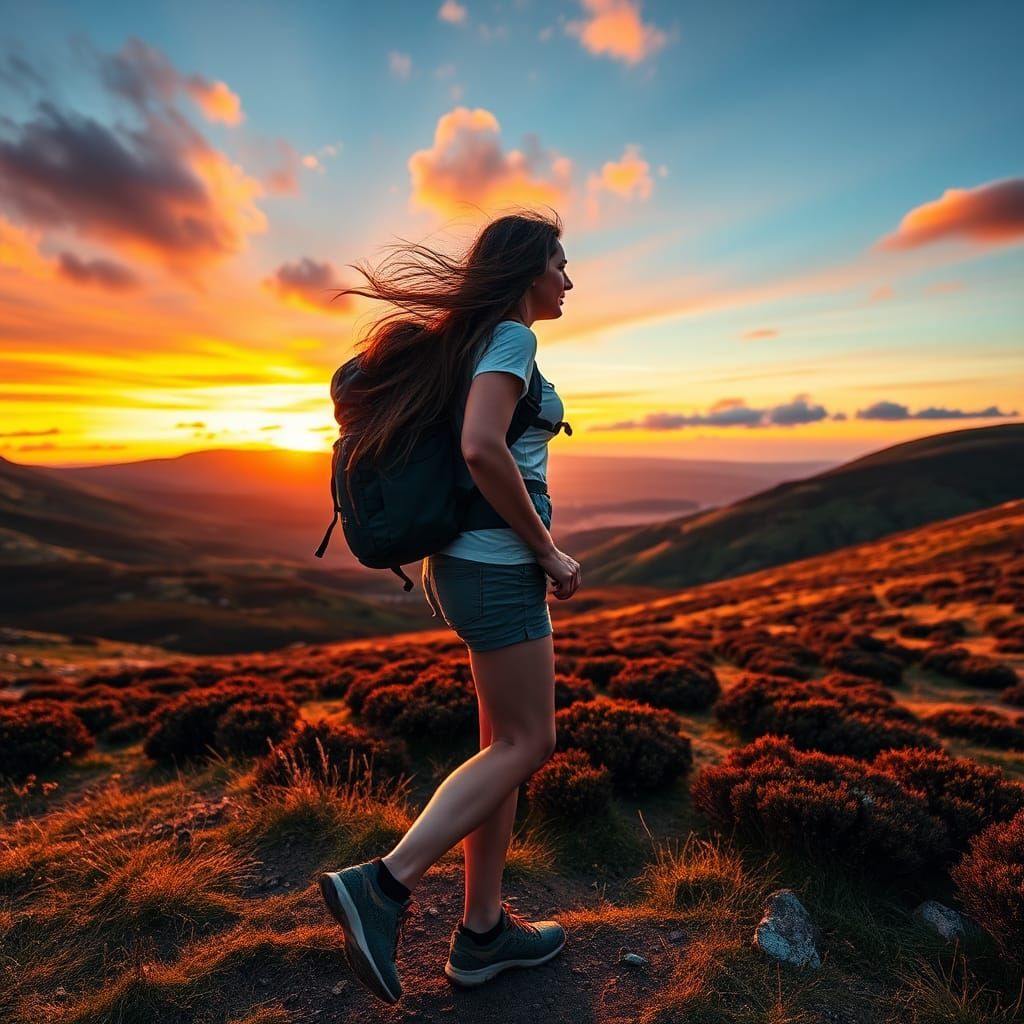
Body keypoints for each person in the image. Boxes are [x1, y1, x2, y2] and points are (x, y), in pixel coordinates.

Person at [318, 208, 581, 1004]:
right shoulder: (511, 338)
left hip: (460, 563)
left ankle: (482, 934)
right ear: (526, 270)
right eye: (560, 265)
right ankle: (384, 886)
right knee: (531, 741)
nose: (569, 282)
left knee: (499, 742)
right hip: (499, 566)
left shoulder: (469, 341)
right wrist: (545, 550)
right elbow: (479, 446)